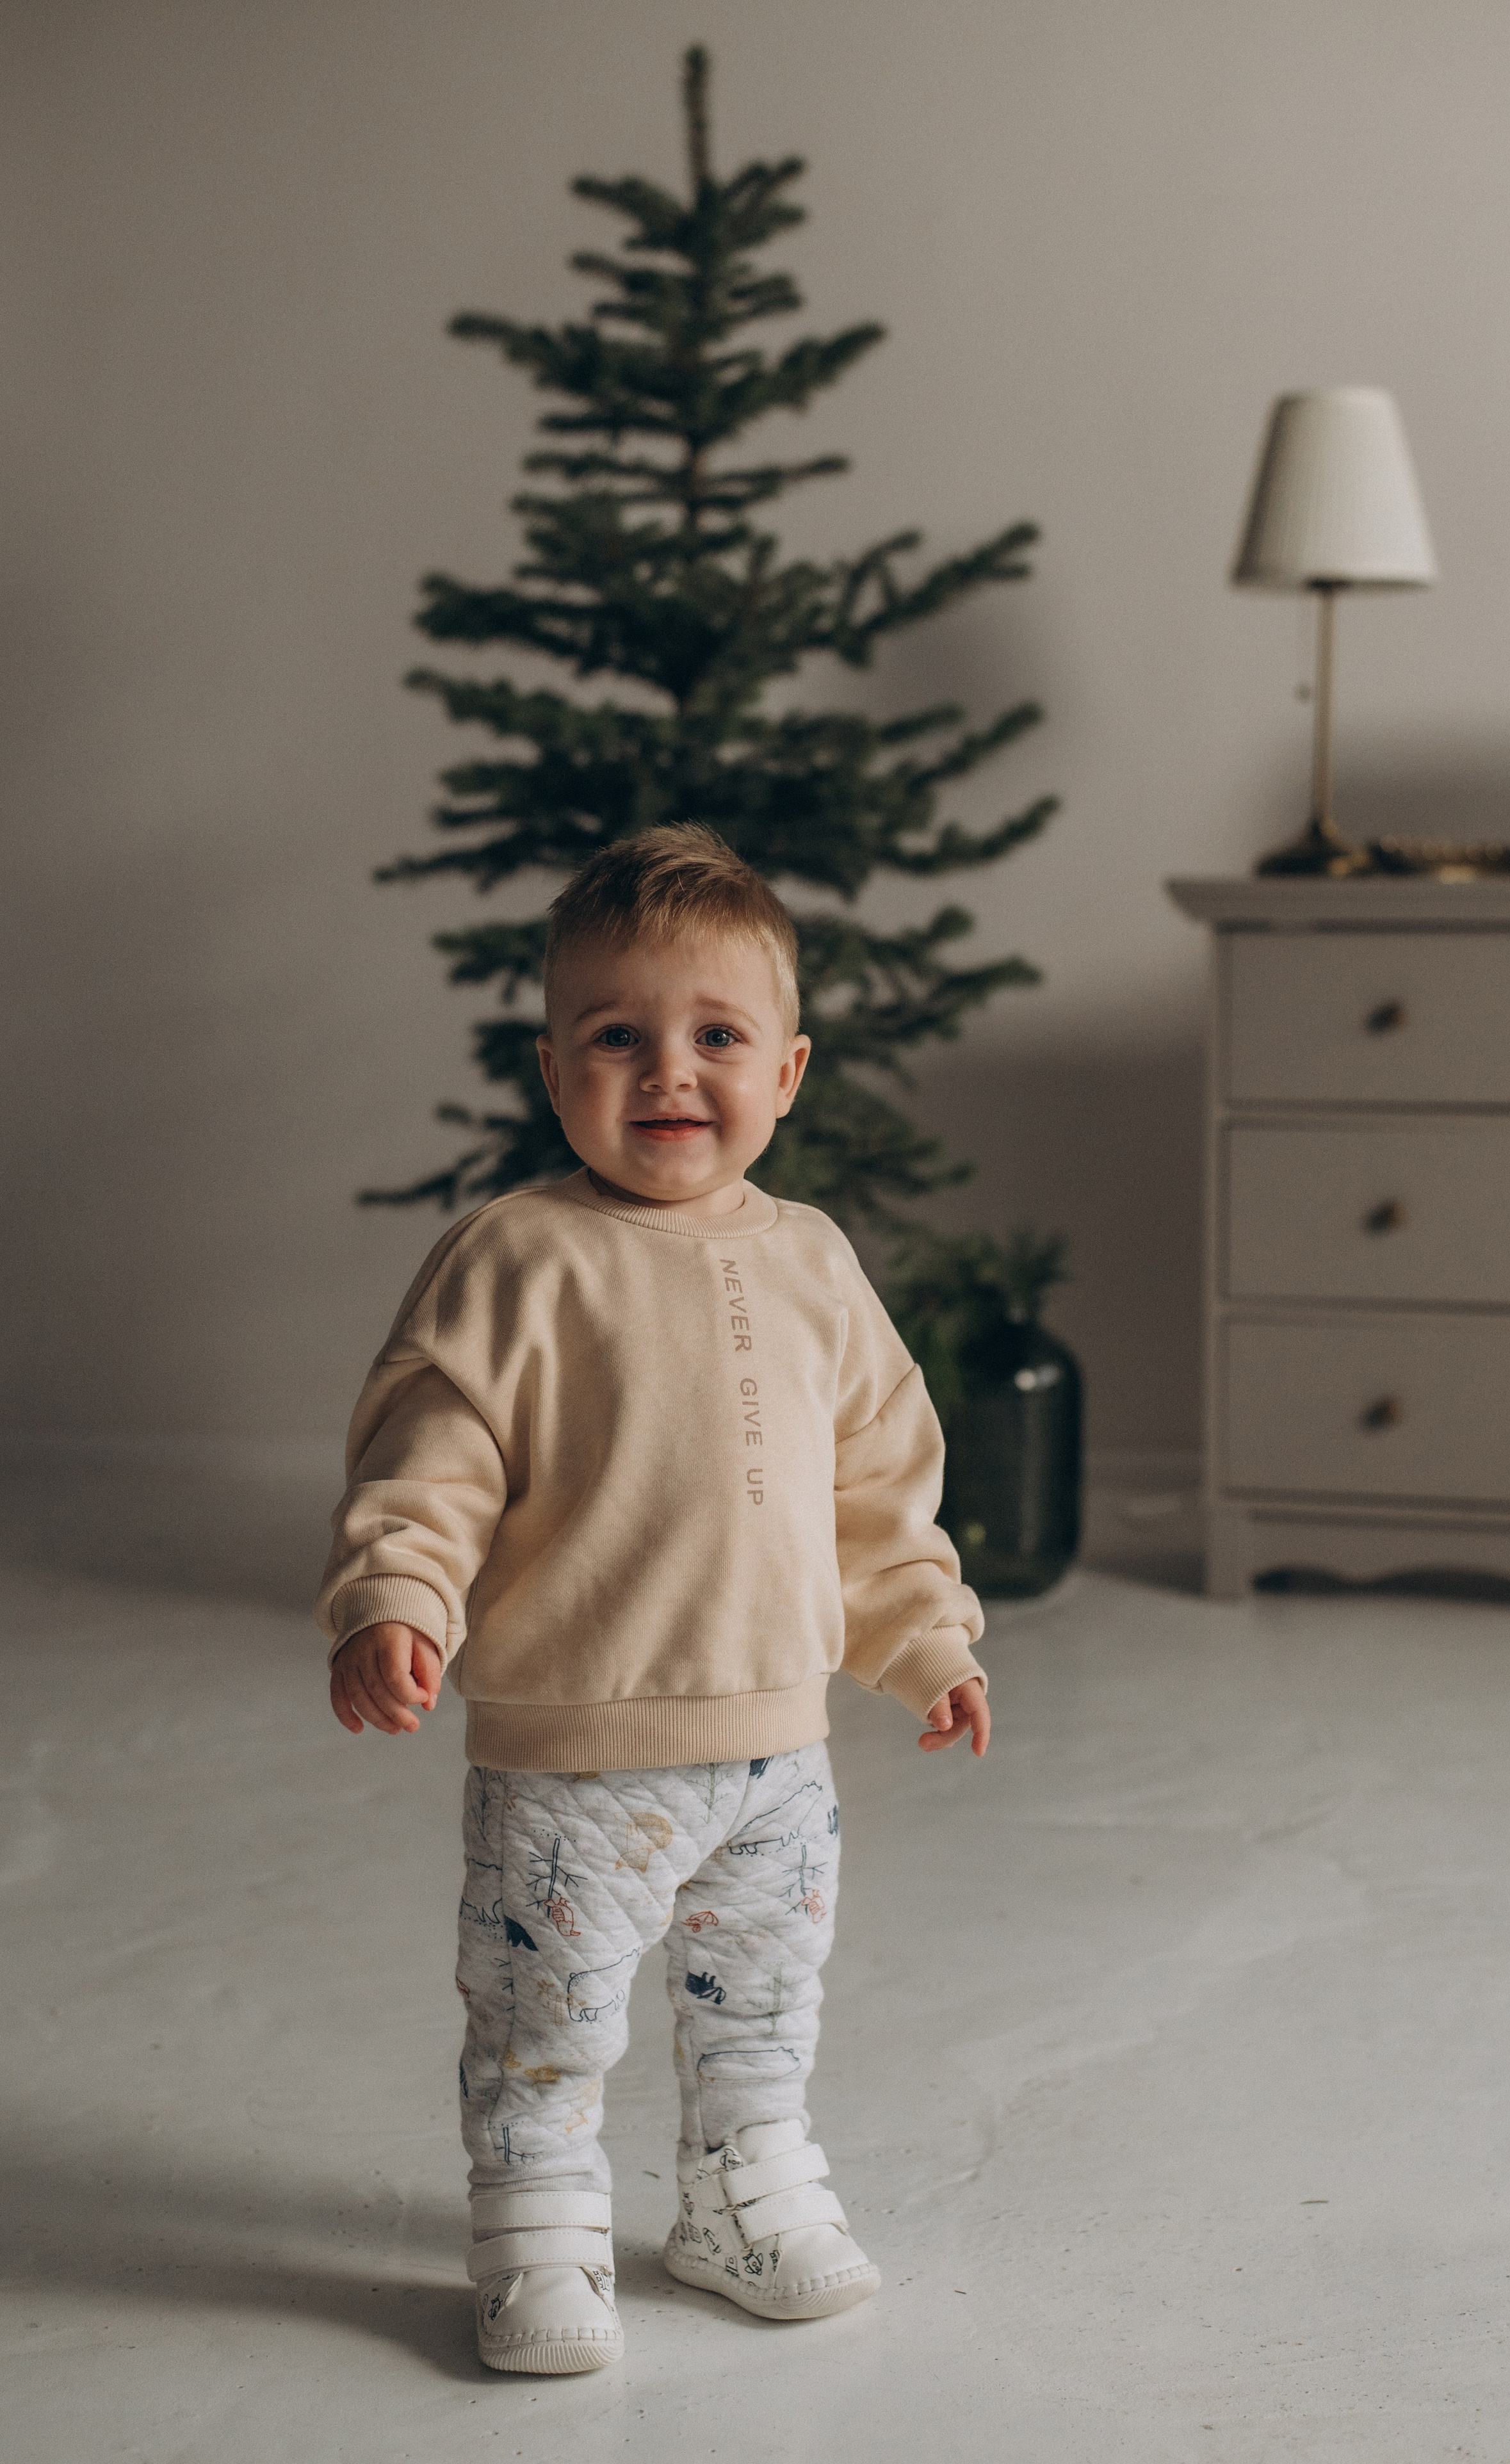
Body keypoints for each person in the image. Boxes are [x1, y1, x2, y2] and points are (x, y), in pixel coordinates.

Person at [318, 825, 989, 2376]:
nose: (669, 1072)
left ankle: (737, 2188)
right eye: (616, 1037)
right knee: (548, 2008)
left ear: (789, 1070)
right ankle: (537, 2213)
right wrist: (393, 1595)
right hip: (575, 1762)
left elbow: (878, 1490)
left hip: (777, 1756)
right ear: (554, 1073)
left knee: (760, 2004)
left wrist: (924, 1637)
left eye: (715, 1037)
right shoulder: (516, 1257)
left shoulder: (814, 1262)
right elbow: (429, 1457)